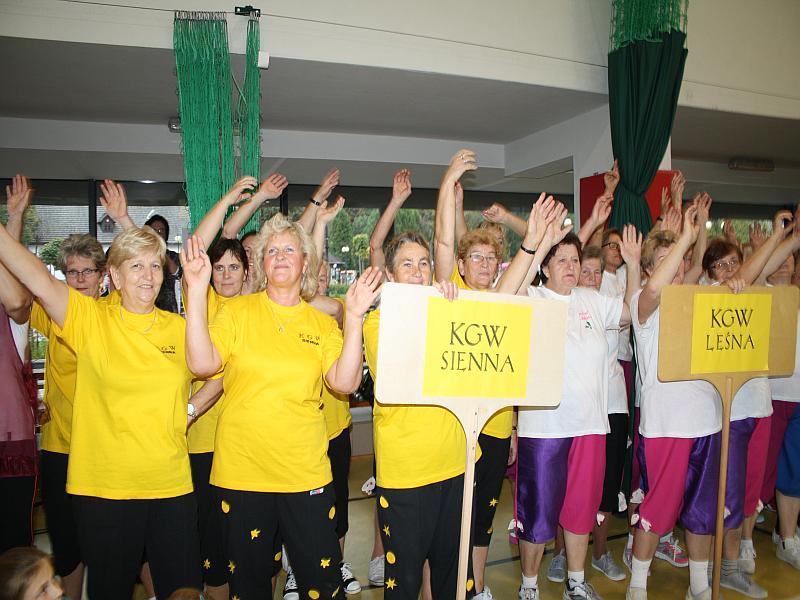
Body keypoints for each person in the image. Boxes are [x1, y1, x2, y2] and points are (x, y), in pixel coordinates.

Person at [182, 212, 381, 599]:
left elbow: (344, 383)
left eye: (290, 249)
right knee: (250, 587)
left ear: (305, 262)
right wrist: (195, 288)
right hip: (242, 476)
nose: (280, 256)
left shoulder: (320, 325)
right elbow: (202, 364)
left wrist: (354, 317)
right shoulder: (235, 312)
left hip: (305, 475)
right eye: (271, 250)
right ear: (261, 263)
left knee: (322, 585)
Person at [0, 220, 202, 597]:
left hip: (171, 486)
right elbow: (38, 278)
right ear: (115, 276)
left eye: (154, 265)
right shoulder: (90, 319)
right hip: (105, 491)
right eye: (136, 266)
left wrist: (189, 410)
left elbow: (219, 372)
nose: (148, 275)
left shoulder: (179, 329)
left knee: (183, 592)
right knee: (110, 590)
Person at [434, 150, 562, 599]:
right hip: (455, 428)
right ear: (463, 265)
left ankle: (478, 586)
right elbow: (444, 241)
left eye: (491, 258)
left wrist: (541, 236)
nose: (485, 265)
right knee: (454, 516)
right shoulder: (452, 294)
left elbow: (528, 267)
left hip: (496, 427)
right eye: (477, 258)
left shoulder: (509, 298)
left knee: (484, 516)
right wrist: (449, 184)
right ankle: (453, 585)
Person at [515, 214, 634, 600]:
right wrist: (536, 244)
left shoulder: (592, 300)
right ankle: (529, 586)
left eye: (575, 259)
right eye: (561, 259)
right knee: (537, 514)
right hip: (544, 429)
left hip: (590, 427)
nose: (571, 266)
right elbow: (505, 292)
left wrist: (633, 265)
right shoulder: (531, 299)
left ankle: (576, 583)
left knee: (581, 511)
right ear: (545, 267)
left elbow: (631, 312)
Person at [626, 206, 730, 600]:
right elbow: (654, 290)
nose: (677, 265)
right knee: (658, 508)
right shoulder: (643, 304)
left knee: (703, 511)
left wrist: (735, 285)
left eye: (681, 259)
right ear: (650, 268)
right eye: (665, 260)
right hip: (667, 425)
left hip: (709, 421)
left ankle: (699, 585)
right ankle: (638, 585)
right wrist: (686, 237)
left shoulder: (700, 299)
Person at [699, 209, 793, 597]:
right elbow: (754, 268)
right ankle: (720, 569)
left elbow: (766, 265)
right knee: (729, 497)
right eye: (719, 265)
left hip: (759, 407)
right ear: (709, 272)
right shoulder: (709, 294)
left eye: (733, 263)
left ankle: (731, 565)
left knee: (750, 494)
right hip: (730, 414)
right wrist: (774, 236)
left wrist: (790, 235)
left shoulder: (754, 291)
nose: (728, 271)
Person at [0, 175, 37, 557]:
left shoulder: (14, 315)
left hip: (7, 444)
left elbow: (15, 297)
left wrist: (12, 222)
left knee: (12, 552)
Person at [145, 213, 182, 313]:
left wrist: (161, 251)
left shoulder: (174, 256)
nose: (157, 234)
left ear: (166, 236)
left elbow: (180, 274)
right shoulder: (141, 258)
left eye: (161, 231)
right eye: (153, 231)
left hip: (170, 311)